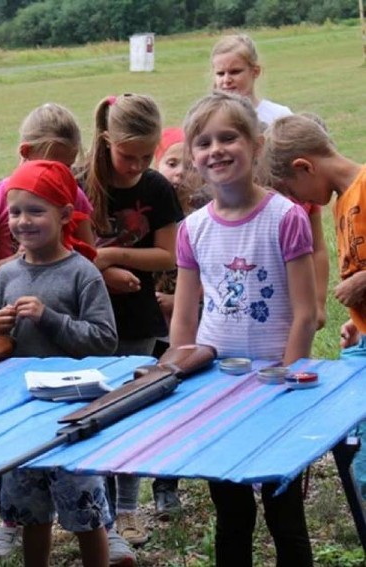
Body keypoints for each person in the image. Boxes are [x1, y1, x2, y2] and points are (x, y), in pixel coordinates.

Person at [170, 92, 316, 567]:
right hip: (216, 386)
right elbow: (186, 315)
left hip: (278, 386)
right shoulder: (192, 229)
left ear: (256, 145)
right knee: (231, 513)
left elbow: (305, 311)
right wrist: (175, 371)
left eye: (228, 137)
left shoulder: (286, 218)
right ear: (193, 156)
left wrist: (289, 379)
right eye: (204, 142)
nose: (216, 150)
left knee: (284, 514)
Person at [0, 160, 117, 567]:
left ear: (64, 215)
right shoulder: (6, 275)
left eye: (35, 211)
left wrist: (50, 318)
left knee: (85, 512)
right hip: (21, 412)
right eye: (15, 212)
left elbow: (105, 341)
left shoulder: (82, 274)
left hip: (72, 415)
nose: (23, 221)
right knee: (30, 513)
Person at [80, 93, 183, 557]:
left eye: (147, 155)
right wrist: (99, 271)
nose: (138, 165)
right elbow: (65, 250)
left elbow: (168, 254)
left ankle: (125, 506)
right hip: (84, 318)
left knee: (130, 408)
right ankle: (93, 507)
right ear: (106, 140)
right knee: (91, 408)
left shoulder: (157, 188)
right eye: (129, 155)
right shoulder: (81, 182)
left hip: (137, 317)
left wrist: (115, 255)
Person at [262, 112, 366, 497]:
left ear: (304, 166)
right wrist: (359, 320)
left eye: (292, 190)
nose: (297, 201)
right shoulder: (343, 202)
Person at [210, 33, 329, 329]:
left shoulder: (279, 116)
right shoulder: (213, 119)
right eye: (220, 73)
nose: (227, 79)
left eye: (235, 71)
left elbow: (317, 241)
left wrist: (319, 301)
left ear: (255, 71)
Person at [0, 103, 95, 290]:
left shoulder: (73, 196)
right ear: (25, 152)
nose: (59, 175)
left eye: (67, 167)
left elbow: (90, 259)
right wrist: (18, 261)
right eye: (51, 165)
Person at [149, 126, 208, 521]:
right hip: (151, 329)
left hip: (193, 324)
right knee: (154, 402)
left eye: (187, 166)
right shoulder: (150, 212)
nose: (178, 173)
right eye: (171, 163)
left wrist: (180, 301)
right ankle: (155, 476)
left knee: (183, 404)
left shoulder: (204, 216)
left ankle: (168, 484)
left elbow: (216, 275)